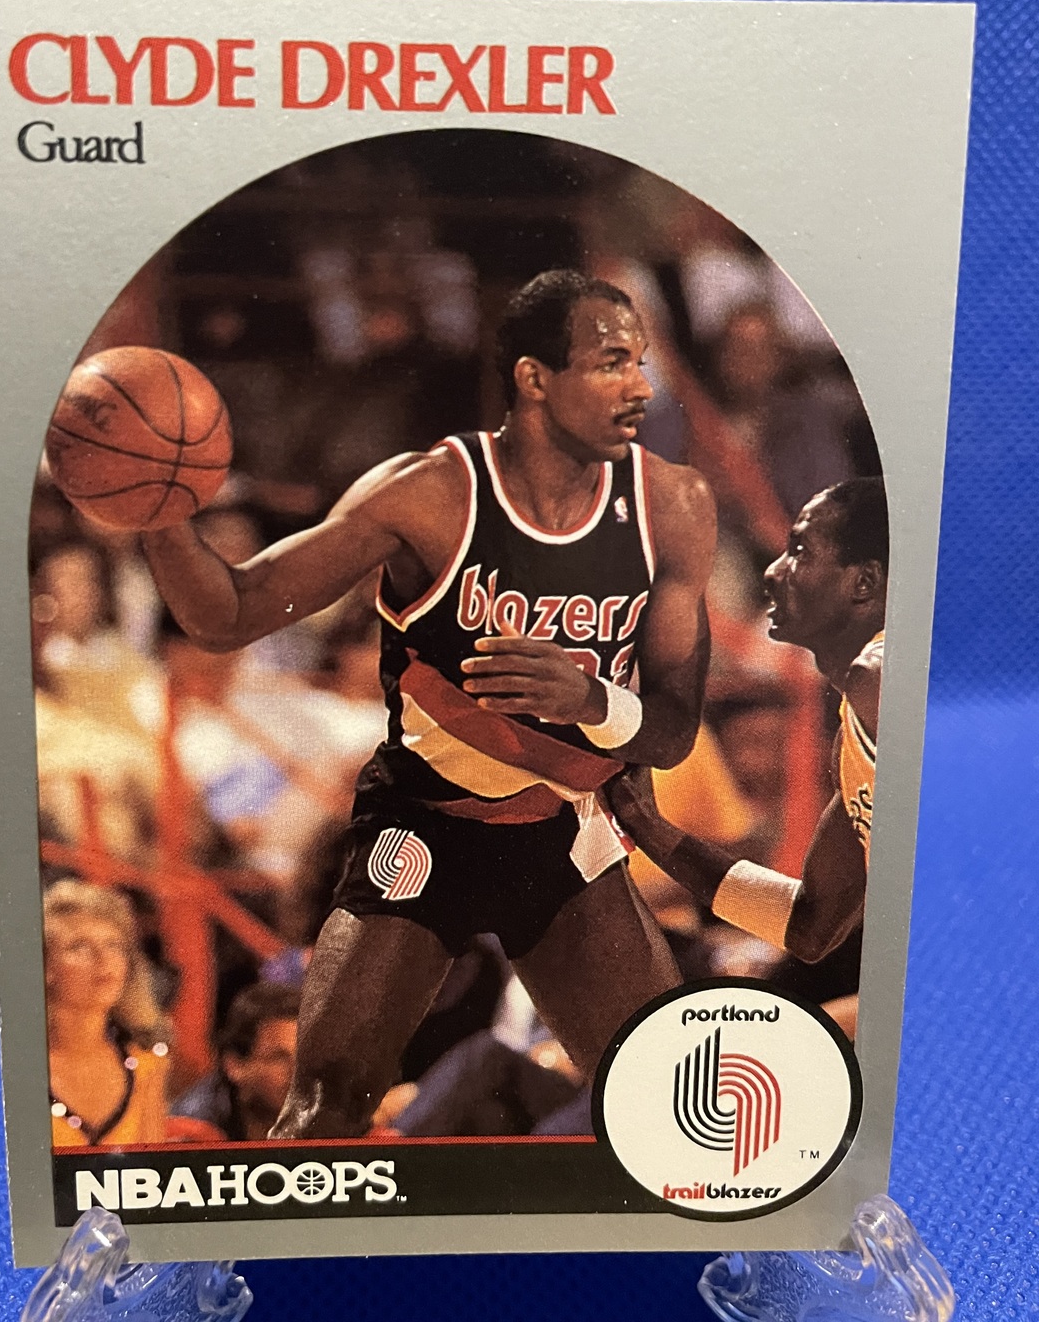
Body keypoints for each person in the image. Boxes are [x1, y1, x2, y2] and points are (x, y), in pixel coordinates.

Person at [128, 268, 716, 1137]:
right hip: (424, 827)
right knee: (326, 1107)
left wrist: (591, 697)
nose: (640, 385)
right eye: (611, 363)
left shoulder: (674, 503)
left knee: (663, 1094)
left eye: (641, 361)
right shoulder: (429, 493)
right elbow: (228, 615)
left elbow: (670, 731)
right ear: (534, 377)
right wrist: (158, 513)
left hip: (561, 832)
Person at [608, 477, 887, 971]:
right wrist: (647, 825)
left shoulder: (884, 675)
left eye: (799, 552)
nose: (773, 572)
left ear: (863, 582)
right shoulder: (856, 718)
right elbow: (810, 926)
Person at [44, 879, 169, 1146]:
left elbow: (152, 1165)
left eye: (113, 945)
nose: (104, 959)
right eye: (79, 946)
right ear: (45, 968)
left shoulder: (147, 1065)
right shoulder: (14, 1068)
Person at [173, 983, 300, 1141]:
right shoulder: (194, 1132)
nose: (297, 1072)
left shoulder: (321, 1116)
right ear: (234, 1065)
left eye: (302, 1058)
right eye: (278, 1058)